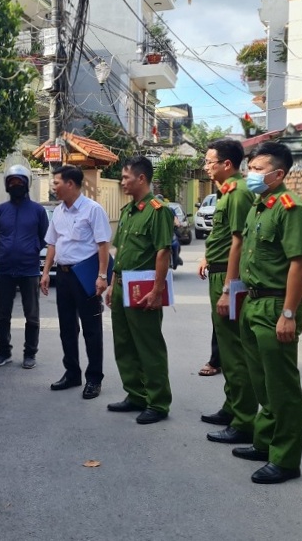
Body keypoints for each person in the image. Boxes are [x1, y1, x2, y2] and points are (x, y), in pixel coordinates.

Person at [233, 141, 302, 485]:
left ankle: (285, 459)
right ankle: (265, 442)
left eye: (257, 169)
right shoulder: (259, 206)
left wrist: (288, 313)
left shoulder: (291, 208)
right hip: (253, 302)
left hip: (274, 305)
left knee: (281, 386)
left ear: (278, 173)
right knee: (261, 381)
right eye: (250, 167)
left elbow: (300, 264)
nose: (249, 173)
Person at [198, 139, 259, 445]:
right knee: (226, 344)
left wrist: (228, 288)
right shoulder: (225, 193)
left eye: (210, 162)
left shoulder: (237, 194)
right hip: (219, 270)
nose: (206, 167)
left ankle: (244, 420)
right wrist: (208, 256)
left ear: (226, 164)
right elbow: (224, 237)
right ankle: (232, 406)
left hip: (228, 277)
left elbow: (239, 242)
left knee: (234, 352)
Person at [104, 157, 174, 424]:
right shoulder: (127, 211)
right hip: (122, 286)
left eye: (125, 178)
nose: (122, 182)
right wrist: (111, 284)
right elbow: (119, 251)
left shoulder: (158, 210)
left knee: (149, 346)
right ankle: (135, 394)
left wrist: (157, 291)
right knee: (124, 344)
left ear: (141, 179)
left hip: (143, 289)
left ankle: (157, 402)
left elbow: (162, 251)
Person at [41, 165, 112, 400]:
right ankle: (72, 373)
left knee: (91, 330)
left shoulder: (93, 210)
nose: (54, 187)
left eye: (57, 182)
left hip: (85, 276)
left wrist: (102, 277)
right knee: (67, 328)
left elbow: (103, 245)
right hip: (63, 276)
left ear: (70, 184)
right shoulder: (58, 211)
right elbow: (52, 243)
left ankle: (94, 378)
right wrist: (45, 272)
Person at [0, 164, 49, 369]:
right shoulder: (0, 211)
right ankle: (4, 351)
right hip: (5, 270)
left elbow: (44, 238)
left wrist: (30, 249)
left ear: (27, 185)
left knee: (31, 314)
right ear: (7, 185)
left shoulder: (38, 210)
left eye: (19, 182)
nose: (16, 185)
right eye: (12, 182)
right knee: (2, 314)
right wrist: (7, 251)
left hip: (30, 270)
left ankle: (29, 353)